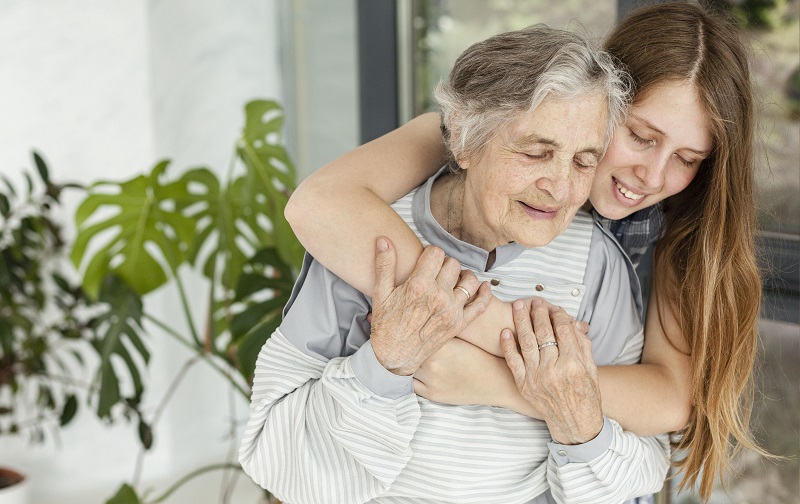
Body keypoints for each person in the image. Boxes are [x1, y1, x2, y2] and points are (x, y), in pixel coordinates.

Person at [283, 2, 765, 501]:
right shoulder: (478, 134)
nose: (655, 175)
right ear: (603, 103)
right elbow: (320, 203)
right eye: (641, 137)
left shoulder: (675, 225)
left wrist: (495, 374)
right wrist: (467, 312)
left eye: (687, 159)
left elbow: (669, 398)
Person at [239, 25, 669, 504]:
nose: (561, 187)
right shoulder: (364, 238)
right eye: (535, 152)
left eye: (583, 161)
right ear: (464, 139)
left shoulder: (596, 264)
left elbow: (641, 474)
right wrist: (385, 366)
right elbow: (277, 461)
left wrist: (580, 424)